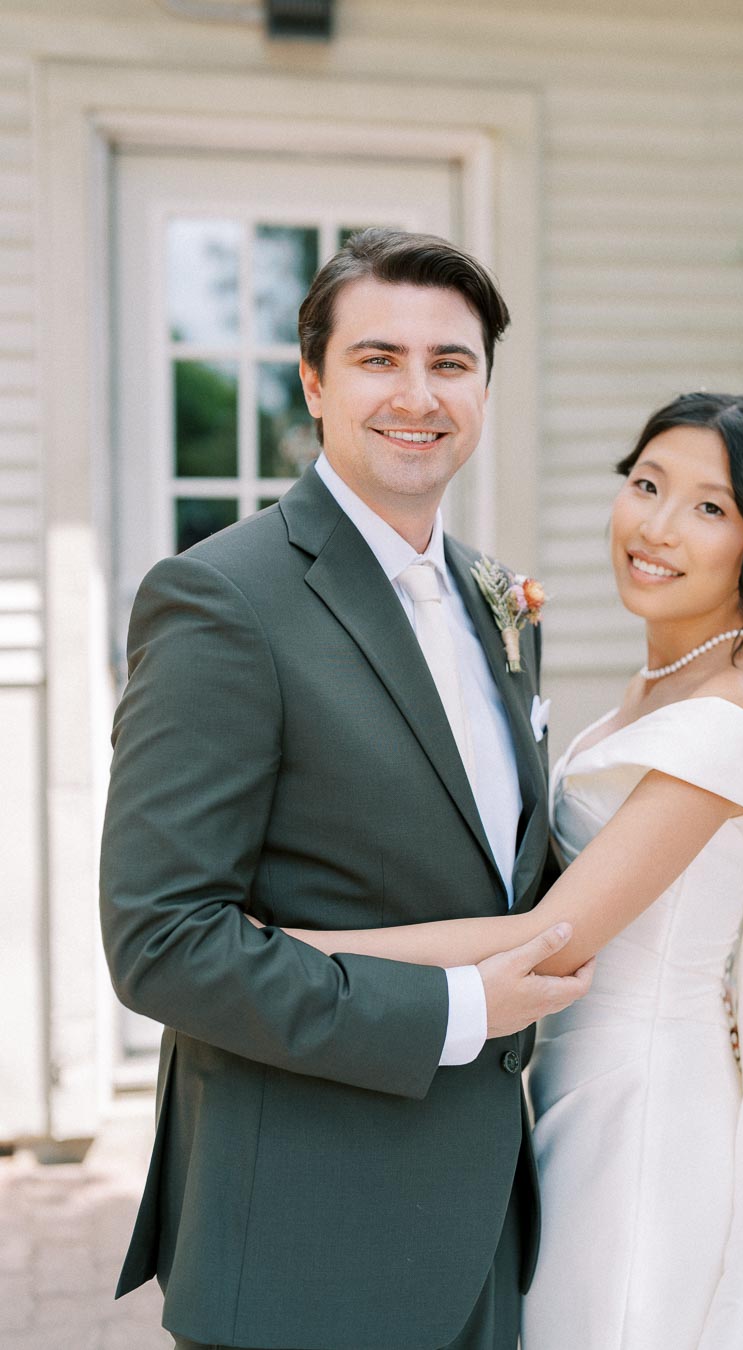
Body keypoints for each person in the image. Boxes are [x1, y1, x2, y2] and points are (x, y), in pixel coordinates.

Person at [278, 393, 743, 1348]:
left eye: (709, 508)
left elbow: (553, 933)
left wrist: (297, 945)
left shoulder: (736, 705)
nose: (655, 527)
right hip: (580, 1078)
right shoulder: (669, 678)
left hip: (647, 1106)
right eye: (646, 485)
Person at [99, 228, 594, 1350]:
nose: (417, 394)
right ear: (315, 382)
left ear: (482, 388)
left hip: (482, 1222)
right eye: (379, 358)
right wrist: (461, 1009)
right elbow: (162, 943)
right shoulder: (222, 599)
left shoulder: (493, 597)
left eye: (451, 363)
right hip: (308, 1240)